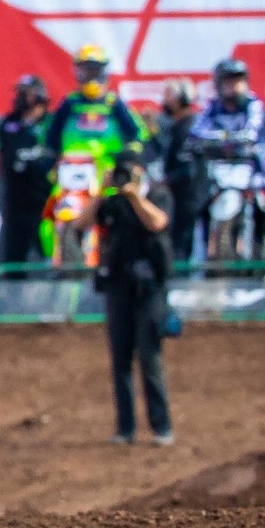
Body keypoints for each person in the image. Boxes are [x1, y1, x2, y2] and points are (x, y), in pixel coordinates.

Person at [95, 150, 173, 447]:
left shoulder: (158, 195)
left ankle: (161, 427)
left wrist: (136, 196)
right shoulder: (112, 201)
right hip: (118, 285)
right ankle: (125, 429)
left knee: (150, 357)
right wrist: (102, 192)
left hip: (150, 288)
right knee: (120, 360)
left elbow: (157, 223)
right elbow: (82, 222)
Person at [41, 44, 144, 256]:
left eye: (95, 69)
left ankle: (110, 251)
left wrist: (127, 154)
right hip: (70, 168)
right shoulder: (70, 103)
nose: (90, 75)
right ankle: (54, 256)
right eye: (86, 69)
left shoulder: (113, 103)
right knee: (52, 207)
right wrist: (50, 155)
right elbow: (50, 137)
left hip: (104, 170)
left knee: (116, 207)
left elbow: (137, 134)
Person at [187, 58, 265, 262]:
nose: (234, 86)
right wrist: (213, 140)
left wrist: (223, 137)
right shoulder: (212, 107)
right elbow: (196, 132)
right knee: (199, 209)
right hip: (221, 168)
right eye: (229, 81)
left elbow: (252, 131)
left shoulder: (253, 104)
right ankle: (199, 264)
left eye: (238, 80)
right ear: (218, 84)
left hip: (254, 168)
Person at [0, 74, 54, 264]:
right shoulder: (9, 123)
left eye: (25, 94)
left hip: (46, 203)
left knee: (50, 255)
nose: (20, 97)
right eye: (19, 93)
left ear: (39, 95)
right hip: (15, 203)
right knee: (14, 258)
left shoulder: (51, 123)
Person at [150, 78, 202, 261]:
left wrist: (166, 180)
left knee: (184, 244)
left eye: (169, 96)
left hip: (189, 197)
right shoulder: (175, 127)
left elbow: (187, 168)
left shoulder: (190, 127)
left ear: (182, 99)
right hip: (177, 197)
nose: (165, 101)